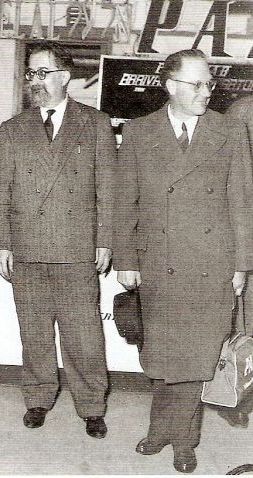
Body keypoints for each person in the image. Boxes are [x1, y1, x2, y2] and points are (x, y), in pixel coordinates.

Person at [113, 49, 253, 473]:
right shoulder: (139, 132)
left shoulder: (229, 130)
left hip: (212, 263)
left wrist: (242, 264)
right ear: (170, 86)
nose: (206, 92)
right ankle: (161, 428)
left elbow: (242, 200)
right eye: (197, 84)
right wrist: (125, 258)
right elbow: (126, 202)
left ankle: (182, 441)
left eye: (209, 83)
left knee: (195, 359)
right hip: (158, 262)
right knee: (160, 357)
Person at [0, 41, 116, 438]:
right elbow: (2, 193)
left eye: (42, 73)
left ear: (65, 76)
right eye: (31, 73)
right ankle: (38, 398)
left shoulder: (95, 123)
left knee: (84, 336)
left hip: (77, 248)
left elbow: (107, 189)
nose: (35, 81)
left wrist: (105, 239)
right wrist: (1, 243)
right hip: (27, 248)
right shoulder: (12, 129)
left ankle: (92, 405)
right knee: (35, 333)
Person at [217, 94, 253, 429]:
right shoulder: (244, 111)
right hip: (248, 234)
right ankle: (238, 398)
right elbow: (232, 181)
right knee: (245, 326)